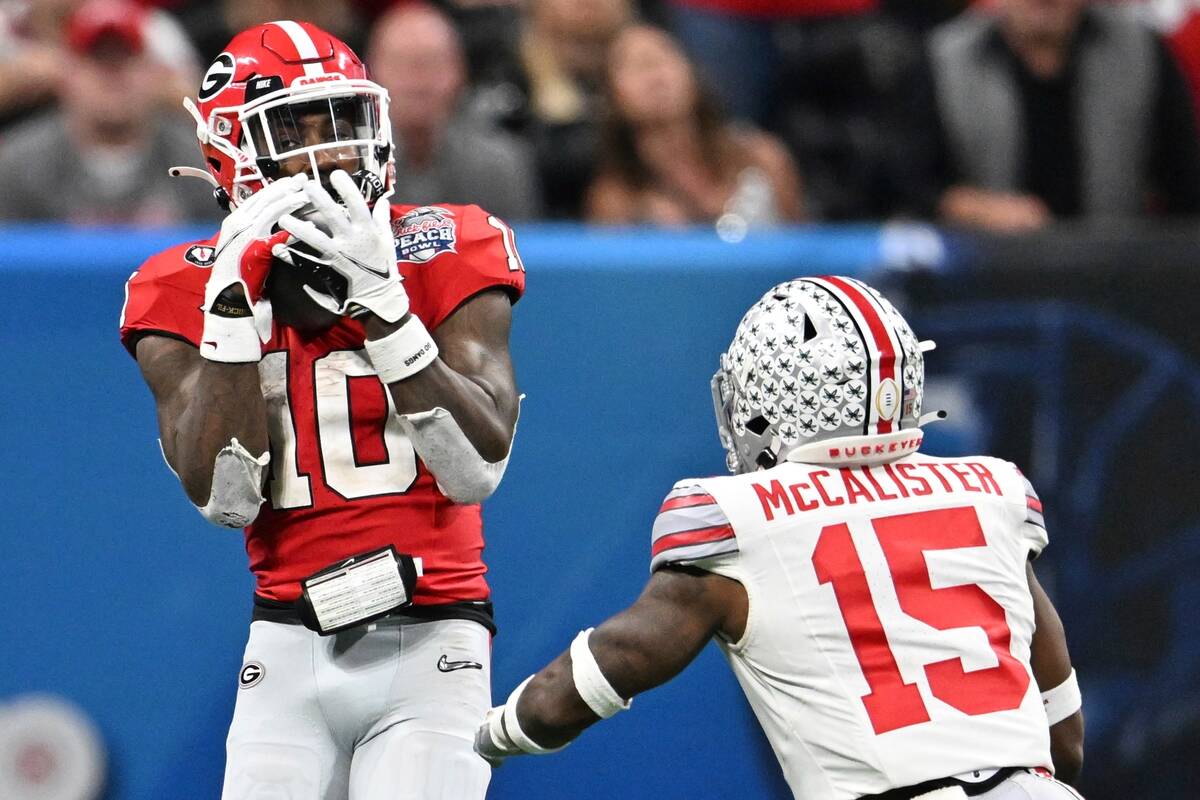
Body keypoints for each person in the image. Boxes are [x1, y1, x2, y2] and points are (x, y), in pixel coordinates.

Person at [476, 276, 1086, 800]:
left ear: (771, 395)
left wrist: (490, 733)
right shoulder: (990, 490)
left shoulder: (737, 519)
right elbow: (1066, 740)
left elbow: (583, 686)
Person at [119, 20, 525, 799]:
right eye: (302, 129)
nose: (337, 150)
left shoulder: (448, 243)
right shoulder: (178, 286)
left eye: (345, 120)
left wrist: (385, 308)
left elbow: (477, 468)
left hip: (436, 633)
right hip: (285, 644)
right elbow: (224, 498)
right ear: (234, 151)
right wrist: (234, 321)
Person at [919, 0, 1200, 231]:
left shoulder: (1141, 51)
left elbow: (1185, 179)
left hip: (1117, 270)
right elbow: (910, 183)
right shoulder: (946, 58)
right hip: (981, 273)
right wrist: (979, 208)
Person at [0, 0, 215, 223]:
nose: (113, 74)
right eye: (98, 58)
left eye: (126, 58)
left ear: (154, 73)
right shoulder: (17, 168)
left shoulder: (201, 165)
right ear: (67, 73)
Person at [586, 24, 804, 230]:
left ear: (692, 72)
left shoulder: (763, 158)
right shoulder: (616, 200)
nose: (654, 74)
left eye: (663, 57)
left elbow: (803, 253)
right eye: (636, 65)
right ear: (613, 98)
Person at [368, 2, 541, 221]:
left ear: (460, 72)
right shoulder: (347, 166)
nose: (418, 80)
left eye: (432, 63)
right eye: (402, 63)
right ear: (370, 73)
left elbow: (520, 248)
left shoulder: (500, 166)